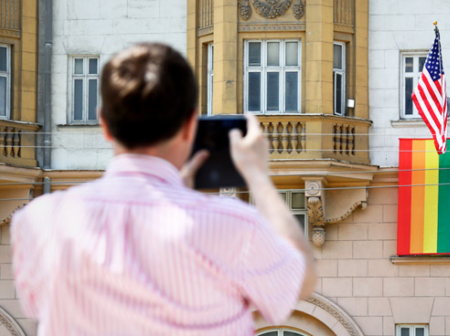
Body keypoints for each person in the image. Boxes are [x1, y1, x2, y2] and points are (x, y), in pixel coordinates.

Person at [11, 43, 316, 335]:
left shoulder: (37, 222)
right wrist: (258, 177)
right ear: (189, 126)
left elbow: (40, 306)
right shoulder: (236, 226)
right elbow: (299, 281)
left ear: (103, 123)